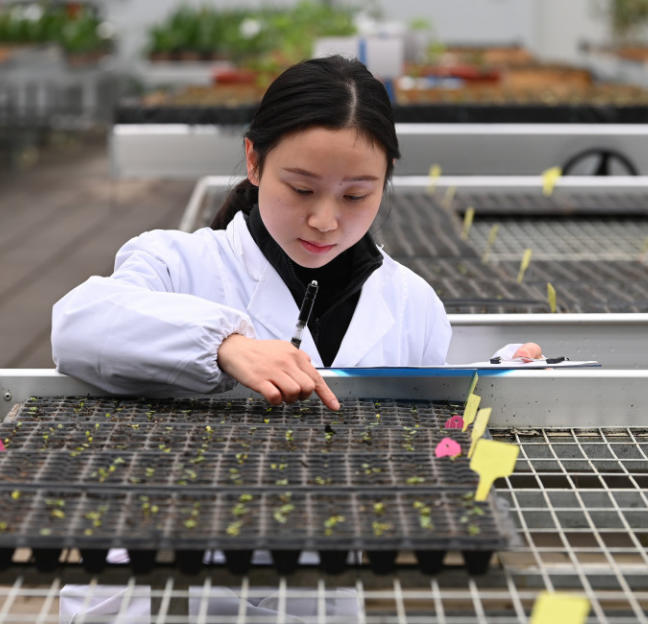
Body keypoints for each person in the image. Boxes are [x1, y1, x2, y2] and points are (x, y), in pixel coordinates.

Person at [51, 55, 539, 409]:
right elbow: (79, 324)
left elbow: (438, 404)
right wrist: (226, 346)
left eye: (355, 196)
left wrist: (504, 372)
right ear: (254, 162)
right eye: (302, 189)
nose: (325, 221)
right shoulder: (180, 263)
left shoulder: (412, 302)